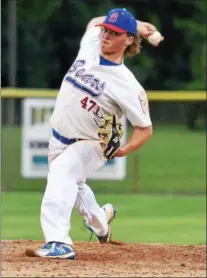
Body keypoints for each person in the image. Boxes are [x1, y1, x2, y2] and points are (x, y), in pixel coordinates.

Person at [35, 8, 164, 260]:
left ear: (128, 41)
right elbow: (95, 22)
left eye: (114, 33)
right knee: (73, 184)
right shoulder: (92, 46)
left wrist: (124, 149)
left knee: (61, 173)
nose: (105, 34)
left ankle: (58, 242)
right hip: (58, 137)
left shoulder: (127, 84)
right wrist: (137, 24)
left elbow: (145, 128)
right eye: (105, 29)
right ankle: (101, 223)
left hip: (92, 143)